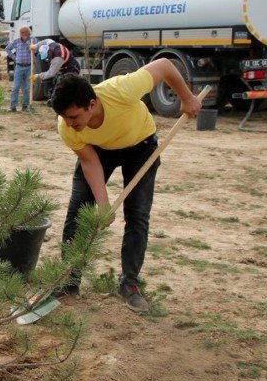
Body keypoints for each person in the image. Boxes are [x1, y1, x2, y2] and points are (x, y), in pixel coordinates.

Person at [50, 59, 201, 312]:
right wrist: (103, 203)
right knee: (78, 212)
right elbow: (89, 161)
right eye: (64, 118)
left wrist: (186, 97)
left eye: (74, 117)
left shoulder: (122, 89)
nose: (69, 123)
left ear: (92, 104)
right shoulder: (67, 127)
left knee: (137, 214)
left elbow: (164, 65)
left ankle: (129, 283)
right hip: (100, 151)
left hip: (140, 146)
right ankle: (70, 280)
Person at [4, 26, 37, 112]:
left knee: (27, 87)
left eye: (26, 32)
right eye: (22, 32)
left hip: (29, 66)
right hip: (19, 66)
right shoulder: (17, 41)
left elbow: (36, 51)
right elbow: (7, 49)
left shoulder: (33, 40)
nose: (24, 34)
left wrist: (30, 47)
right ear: (20, 33)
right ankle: (12, 107)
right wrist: (14, 57)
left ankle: (25, 106)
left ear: (29, 33)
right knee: (15, 87)